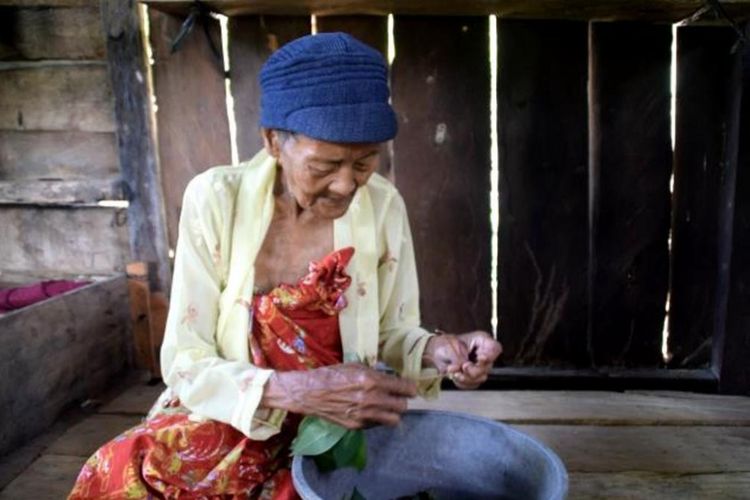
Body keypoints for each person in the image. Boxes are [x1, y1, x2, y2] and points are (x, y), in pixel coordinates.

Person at [69, 32, 502, 499]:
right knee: (120, 472)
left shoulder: (383, 206)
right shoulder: (215, 200)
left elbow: (390, 335)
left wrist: (439, 350)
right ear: (274, 141)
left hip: (335, 420)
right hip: (234, 409)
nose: (345, 185)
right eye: (325, 165)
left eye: (364, 162)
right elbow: (185, 361)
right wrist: (293, 390)